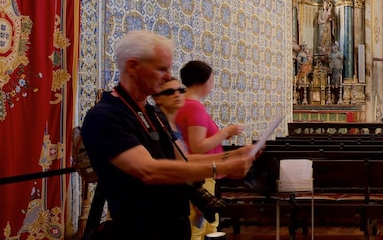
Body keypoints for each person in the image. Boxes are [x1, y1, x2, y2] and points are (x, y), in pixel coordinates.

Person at [80, 30, 255, 239]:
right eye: (161, 68)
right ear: (133, 66)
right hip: (139, 229)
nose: (168, 76)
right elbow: (149, 171)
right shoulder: (106, 116)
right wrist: (223, 167)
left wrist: (233, 155)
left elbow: (184, 159)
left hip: (175, 224)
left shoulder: (152, 112)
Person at [176, 60, 244, 155]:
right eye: (211, 82)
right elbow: (197, 147)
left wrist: (225, 133)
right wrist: (226, 132)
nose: (211, 86)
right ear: (200, 81)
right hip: (202, 166)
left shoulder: (180, 104)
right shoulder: (195, 107)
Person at [153, 77, 188, 150]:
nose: (177, 95)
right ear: (157, 98)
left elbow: (184, 157)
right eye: (169, 92)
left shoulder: (174, 125)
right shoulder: (156, 124)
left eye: (181, 90)